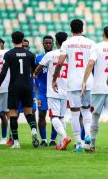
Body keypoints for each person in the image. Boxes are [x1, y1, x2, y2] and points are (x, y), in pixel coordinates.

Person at [52, 19, 95, 152]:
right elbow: (92, 62)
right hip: (87, 81)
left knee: (75, 113)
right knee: (86, 110)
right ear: (82, 29)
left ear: (71, 29)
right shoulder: (91, 43)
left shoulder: (67, 43)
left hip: (73, 82)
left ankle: (78, 143)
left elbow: (59, 63)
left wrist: (54, 79)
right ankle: (87, 134)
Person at [81, 26, 108, 154]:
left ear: (103, 34)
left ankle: (92, 144)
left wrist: (84, 81)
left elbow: (91, 63)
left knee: (95, 115)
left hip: (98, 87)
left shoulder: (97, 47)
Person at [0, 31, 39, 149]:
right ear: (22, 39)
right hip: (27, 86)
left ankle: (16, 142)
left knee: (13, 113)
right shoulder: (30, 54)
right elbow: (35, 71)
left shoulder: (9, 54)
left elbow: (4, 72)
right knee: (28, 112)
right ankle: (33, 129)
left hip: (14, 86)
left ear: (12, 40)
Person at [34, 32, 71, 150]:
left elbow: (37, 70)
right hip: (66, 90)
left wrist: (35, 75)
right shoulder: (69, 55)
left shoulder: (50, 55)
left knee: (54, 117)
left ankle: (64, 137)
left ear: (56, 42)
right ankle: (60, 143)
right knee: (61, 117)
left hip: (53, 90)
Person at [35, 35, 58, 147]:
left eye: (50, 43)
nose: (48, 45)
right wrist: (38, 86)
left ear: (53, 44)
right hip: (42, 92)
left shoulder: (57, 57)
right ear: (43, 44)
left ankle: (53, 139)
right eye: (46, 43)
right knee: (42, 115)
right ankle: (44, 139)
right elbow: (35, 74)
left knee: (54, 116)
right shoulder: (38, 59)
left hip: (54, 91)